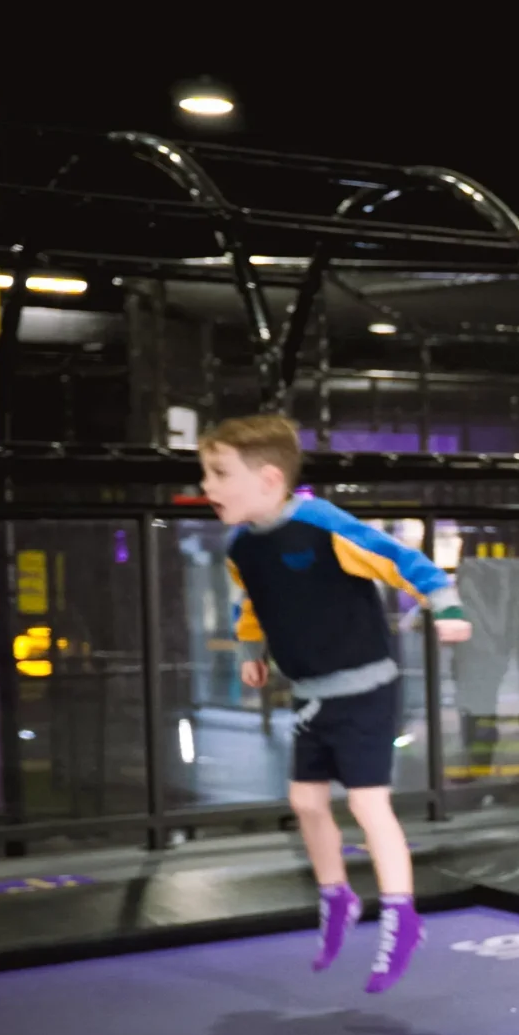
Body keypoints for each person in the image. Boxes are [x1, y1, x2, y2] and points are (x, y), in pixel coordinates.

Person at [199, 415, 472, 993]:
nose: (208, 486)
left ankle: (401, 916)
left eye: (219, 474)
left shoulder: (324, 525)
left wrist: (444, 605)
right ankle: (338, 897)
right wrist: (252, 650)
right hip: (312, 698)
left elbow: (401, 561)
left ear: (270, 480)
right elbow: (251, 602)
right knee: (305, 802)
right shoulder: (241, 546)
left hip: (367, 689)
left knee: (371, 807)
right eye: (207, 474)